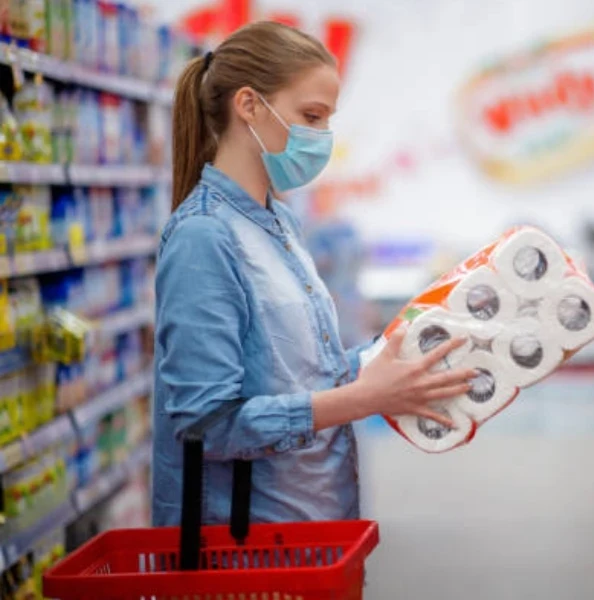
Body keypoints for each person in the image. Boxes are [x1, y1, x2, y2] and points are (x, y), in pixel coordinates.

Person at [152, 22, 475, 526]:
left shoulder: (278, 222)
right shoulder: (204, 237)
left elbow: (301, 374)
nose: (322, 137)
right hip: (248, 552)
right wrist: (361, 398)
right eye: (311, 116)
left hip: (317, 530)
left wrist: (397, 356)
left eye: (327, 120)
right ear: (249, 105)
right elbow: (205, 424)